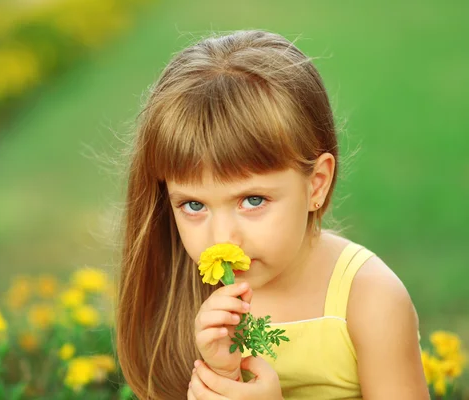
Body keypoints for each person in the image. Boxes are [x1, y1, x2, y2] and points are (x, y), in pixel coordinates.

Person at [114, 29, 428, 399]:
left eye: (252, 200)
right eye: (194, 205)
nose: (222, 239)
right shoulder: (190, 295)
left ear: (316, 184)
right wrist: (222, 373)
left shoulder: (370, 299)